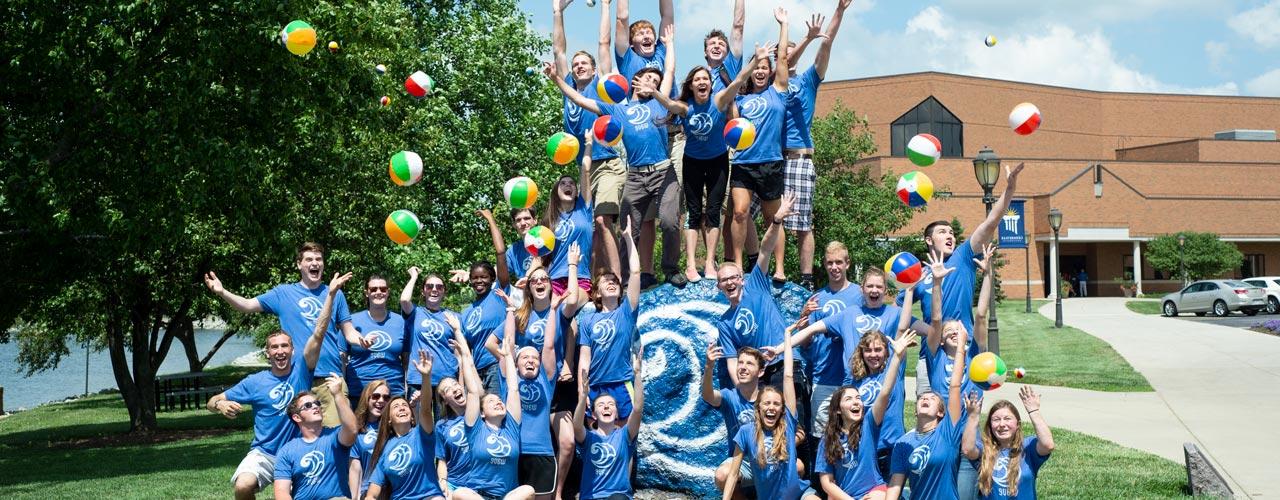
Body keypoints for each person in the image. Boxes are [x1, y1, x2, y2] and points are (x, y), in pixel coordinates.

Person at [208, 271, 353, 500]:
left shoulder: (302, 371)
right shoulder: (255, 381)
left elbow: (319, 331)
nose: (280, 351)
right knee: (243, 485)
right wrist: (220, 406)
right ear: (267, 353)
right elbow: (212, 400)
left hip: (297, 450)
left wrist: (331, 294)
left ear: (293, 350)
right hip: (265, 453)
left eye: (285, 346)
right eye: (274, 347)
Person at [205, 242, 371, 425]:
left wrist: (361, 340)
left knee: (336, 439)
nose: (314, 263)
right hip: (295, 380)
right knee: (299, 438)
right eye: (309, 259)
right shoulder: (283, 293)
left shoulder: (335, 293)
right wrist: (222, 292)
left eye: (319, 259)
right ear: (299, 264)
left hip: (329, 378)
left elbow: (349, 332)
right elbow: (246, 305)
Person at [905, 165, 1022, 393]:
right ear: (929, 240)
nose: (949, 235)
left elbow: (991, 222)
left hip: (965, 348)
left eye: (951, 232)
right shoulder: (918, 274)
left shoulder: (963, 256)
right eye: (942, 232)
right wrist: (929, 331)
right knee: (928, 414)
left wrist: (1009, 189)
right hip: (930, 354)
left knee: (967, 411)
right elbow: (898, 312)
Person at [650, 44, 759, 283]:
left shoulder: (720, 101)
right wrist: (654, 91)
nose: (702, 82)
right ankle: (690, 265)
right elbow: (668, 104)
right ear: (691, 85)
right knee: (693, 212)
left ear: (710, 84)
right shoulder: (686, 108)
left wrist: (755, 61)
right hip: (693, 163)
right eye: (697, 79)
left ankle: (710, 263)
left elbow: (739, 79)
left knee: (713, 212)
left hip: (718, 162)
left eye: (705, 79)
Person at [772, 0, 852, 290]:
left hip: (798, 159)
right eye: (783, 51)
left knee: (802, 223)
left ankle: (806, 279)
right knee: (764, 217)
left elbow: (825, 48)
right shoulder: (770, 86)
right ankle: (764, 269)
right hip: (769, 159)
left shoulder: (807, 81)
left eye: (791, 50)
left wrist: (839, 12)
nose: (788, 55)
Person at [552, 0, 626, 268]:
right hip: (581, 168)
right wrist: (557, 11)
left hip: (606, 164)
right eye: (576, 64)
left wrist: (605, 5)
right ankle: (594, 282)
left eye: (584, 63)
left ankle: (618, 280)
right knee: (588, 230)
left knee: (602, 221)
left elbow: (604, 43)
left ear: (595, 69)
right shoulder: (567, 85)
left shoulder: (600, 85)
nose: (579, 66)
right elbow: (559, 49)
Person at [715, 194, 804, 390]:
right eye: (724, 280)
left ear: (741, 279)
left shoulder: (755, 284)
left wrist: (777, 219)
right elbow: (732, 362)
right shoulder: (724, 323)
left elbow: (765, 249)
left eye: (733, 277)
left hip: (785, 363)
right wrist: (742, 391)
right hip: (760, 376)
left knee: (795, 420)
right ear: (719, 287)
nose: (729, 282)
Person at [815, 331, 918, 500]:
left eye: (858, 398)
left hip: (876, 485)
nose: (856, 401)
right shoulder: (828, 438)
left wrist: (898, 356)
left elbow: (884, 393)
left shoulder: (868, 425)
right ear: (838, 409)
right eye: (849, 399)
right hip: (846, 493)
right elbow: (827, 482)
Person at [722, 322, 819, 500]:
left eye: (776, 404)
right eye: (766, 403)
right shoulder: (746, 432)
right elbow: (734, 474)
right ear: (758, 407)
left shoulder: (788, 424)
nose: (771, 408)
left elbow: (788, 376)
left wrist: (787, 336)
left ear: (783, 410)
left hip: (799, 494)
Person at [885, 307, 970, 500]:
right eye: (923, 397)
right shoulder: (904, 442)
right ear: (914, 411)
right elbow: (895, 486)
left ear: (941, 413)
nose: (925, 398)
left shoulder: (948, 431)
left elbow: (954, 386)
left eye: (932, 399)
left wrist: (960, 349)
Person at [453, 309, 535, 500]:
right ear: (481, 413)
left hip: (507, 497)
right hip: (478, 496)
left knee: (528, 490)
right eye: (491, 401)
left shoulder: (512, 428)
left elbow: (513, 389)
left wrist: (508, 357)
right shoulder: (475, 430)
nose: (498, 401)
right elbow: (473, 391)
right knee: (459, 493)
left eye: (499, 400)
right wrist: (462, 344)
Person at [496, 288, 563, 500]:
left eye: (535, 358)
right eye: (525, 358)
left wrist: (553, 309)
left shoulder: (546, 380)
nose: (531, 360)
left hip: (542, 453)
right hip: (513, 452)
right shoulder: (509, 379)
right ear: (515, 364)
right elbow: (507, 343)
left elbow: (549, 346)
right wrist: (509, 310)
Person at [577, 215, 642, 424]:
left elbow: (635, 272)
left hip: (621, 383)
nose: (612, 283)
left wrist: (629, 239)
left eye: (615, 281)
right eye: (606, 281)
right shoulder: (587, 320)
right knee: (596, 438)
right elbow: (584, 359)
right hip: (595, 385)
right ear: (596, 293)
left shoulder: (626, 312)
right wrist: (582, 391)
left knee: (625, 437)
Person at [801, 241, 865, 433]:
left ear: (848, 264)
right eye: (830, 263)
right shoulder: (817, 298)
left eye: (839, 262)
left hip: (855, 377)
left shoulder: (860, 295)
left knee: (853, 433)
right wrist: (804, 317)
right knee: (822, 436)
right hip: (823, 377)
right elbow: (805, 343)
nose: (834, 267)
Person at [362, 350, 443, 500]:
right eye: (396, 406)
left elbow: (425, 408)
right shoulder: (385, 449)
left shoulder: (421, 434)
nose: (401, 408)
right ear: (389, 420)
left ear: (412, 417)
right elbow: (372, 494)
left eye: (404, 405)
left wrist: (426, 377)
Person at [574, 348, 646, 500]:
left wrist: (637, 375)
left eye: (610, 404)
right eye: (600, 405)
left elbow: (638, 409)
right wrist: (584, 396)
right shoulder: (588, 438)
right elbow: (576, 425)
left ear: (617, 413)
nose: (606, 406)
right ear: (593, 414)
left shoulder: (624, 436)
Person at [273, 373, 359, 500]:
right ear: (296, 417)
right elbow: (281, 491)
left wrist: (337, 394)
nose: (315, 406)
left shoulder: (334, 437)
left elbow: (352, 429)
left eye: (317, 403)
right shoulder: (287, 451)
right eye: (308, 405)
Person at [961, 388, 1055, 500]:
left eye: (1007, 419)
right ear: (990, 425)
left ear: (1017, 425)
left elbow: (1048, 445)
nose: (1002, 424)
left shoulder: (1028, 447)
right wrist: (972, 417)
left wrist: (1034, 411)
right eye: (996, 420)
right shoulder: (984, 448)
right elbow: (967, 450)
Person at [705, 345, 765, 493]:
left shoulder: (770, 398)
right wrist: (709, 367)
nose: (743, 367)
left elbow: (797, 433)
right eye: (740, 362)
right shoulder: (730, 396)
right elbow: (708, 396)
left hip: (768, 459)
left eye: (749, 363)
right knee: (722, 476)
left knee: (799, 467)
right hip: (741, 461)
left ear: (761, 371)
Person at [435, 315, 483, 498]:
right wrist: (443, 482)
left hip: (480, 483)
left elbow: (468, 363)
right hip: (455, 484)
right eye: (447, 389)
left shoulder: (481, 412)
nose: (455, 387)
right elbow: (442, 460)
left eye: (455, 384)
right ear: (445, 400)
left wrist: (457, 330)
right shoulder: (442, 426)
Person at [544, 136, 596, 299]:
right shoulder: (549, 220)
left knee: (569, 304)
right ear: (556, 192)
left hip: (581, 278)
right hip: (554, 280)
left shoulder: (584, 209)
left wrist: (588, 143)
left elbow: (585, 170)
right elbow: (541, 257)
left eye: (571, 183)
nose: (568, 185)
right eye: (563, 183)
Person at [401, 268, 459, 401]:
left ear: (444, 292)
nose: (434, 289)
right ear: (423, 291)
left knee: (445, 422)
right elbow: (404, 300)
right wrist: (414, 276)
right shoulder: (415, 313)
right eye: (429, 286)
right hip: (418, 378)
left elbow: (458, 351)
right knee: (419, 421)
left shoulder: (454, 317)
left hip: (446, 379)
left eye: (439, 287)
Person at [346, 276, 407, 400]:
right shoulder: (351, 321)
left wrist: (407, 388)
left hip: (393, 391)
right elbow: (342, 357)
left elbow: (406, 360)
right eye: (373, 289)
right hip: (359, 391)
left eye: (383, 289)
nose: (378, 292)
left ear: (388, 292)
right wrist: (343, 392)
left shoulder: (401, 322)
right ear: (366, 293)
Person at [453, 261, 508, 394]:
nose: (479, 281)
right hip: (476, 370)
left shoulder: (498, 294)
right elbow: (464, 350)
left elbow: (501, 253)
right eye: (475, 278)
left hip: (496, 364)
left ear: (492, 279)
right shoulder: (466, 313)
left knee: (497, 410)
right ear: (470, 280)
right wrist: (462, 380)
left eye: (484, 277)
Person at [348, 380, 390, 499]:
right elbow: (355, 469)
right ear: (367, 398)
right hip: (367, 491)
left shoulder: (394, 427)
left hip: (394, 489)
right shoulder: (356, 429)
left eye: (386, 398)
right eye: (376, 396)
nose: (381, 401)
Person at [613, 0, 673, 81]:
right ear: (631, 43)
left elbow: (667, 15)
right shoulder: (627, 59)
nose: (646, 36)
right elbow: (622, 19)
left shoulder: (662, 52)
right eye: (640, 34)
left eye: (649, 32)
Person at [701, 0, 745, 94]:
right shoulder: (697, 77)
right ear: (705, 51)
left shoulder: (731, 68)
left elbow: (738, 25)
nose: (717, 46)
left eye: (721, 44)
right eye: (712, 43)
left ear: (727, 53)